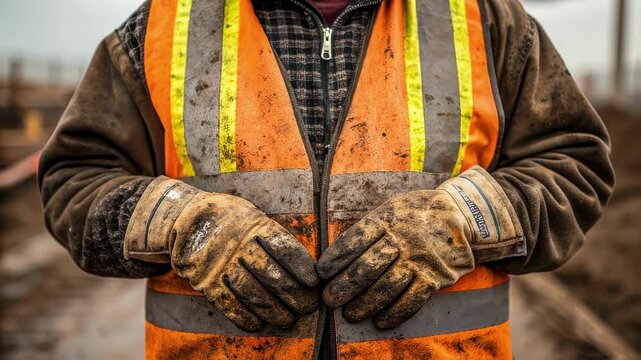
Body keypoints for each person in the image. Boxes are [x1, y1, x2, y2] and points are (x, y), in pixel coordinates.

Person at [38, 0, 614, 358]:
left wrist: (463, 219)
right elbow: (76, 179)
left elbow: (573, 164)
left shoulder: (488, 24)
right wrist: (183, 224)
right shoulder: (161, 29)